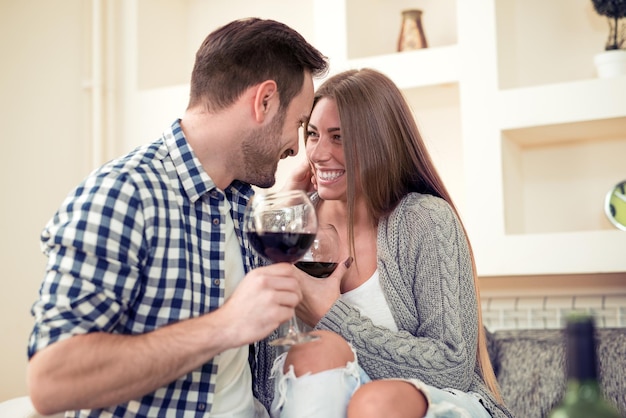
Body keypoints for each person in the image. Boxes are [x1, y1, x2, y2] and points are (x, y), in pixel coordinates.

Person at [27, 18, 330, 418]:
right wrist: (225, 326)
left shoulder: (242, 204)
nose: (296, 147)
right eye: (298, 124)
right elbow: (51, 383)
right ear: (264, 101)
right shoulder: (124, 194)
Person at [254, 68, 514, 418]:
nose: (317, 153)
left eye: (339, 137)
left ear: (378, 142)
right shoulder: (296, 226)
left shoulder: (424, 220)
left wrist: (330, 316)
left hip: (440, 403)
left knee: (373, 403)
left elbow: (453, 368)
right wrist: (283, 210)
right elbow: (266, 370)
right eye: (313, 134)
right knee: (317, 349)